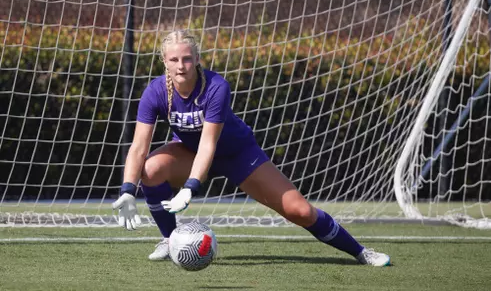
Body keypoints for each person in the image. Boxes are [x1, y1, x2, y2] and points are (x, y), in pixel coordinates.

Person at [112, 30, 391, 266]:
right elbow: (139, 146)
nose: (181, 65)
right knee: (149, 169)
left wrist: (189, 187)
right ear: (164, 61)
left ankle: (361, 252)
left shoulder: (216, 87)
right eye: (174, 59)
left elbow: (210, 143)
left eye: (187, 58)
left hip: (237, 155)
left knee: (301, 211)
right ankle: (170, 240)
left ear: (197, 59)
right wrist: (127, 190)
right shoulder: (155, 92)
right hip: (190, 154)